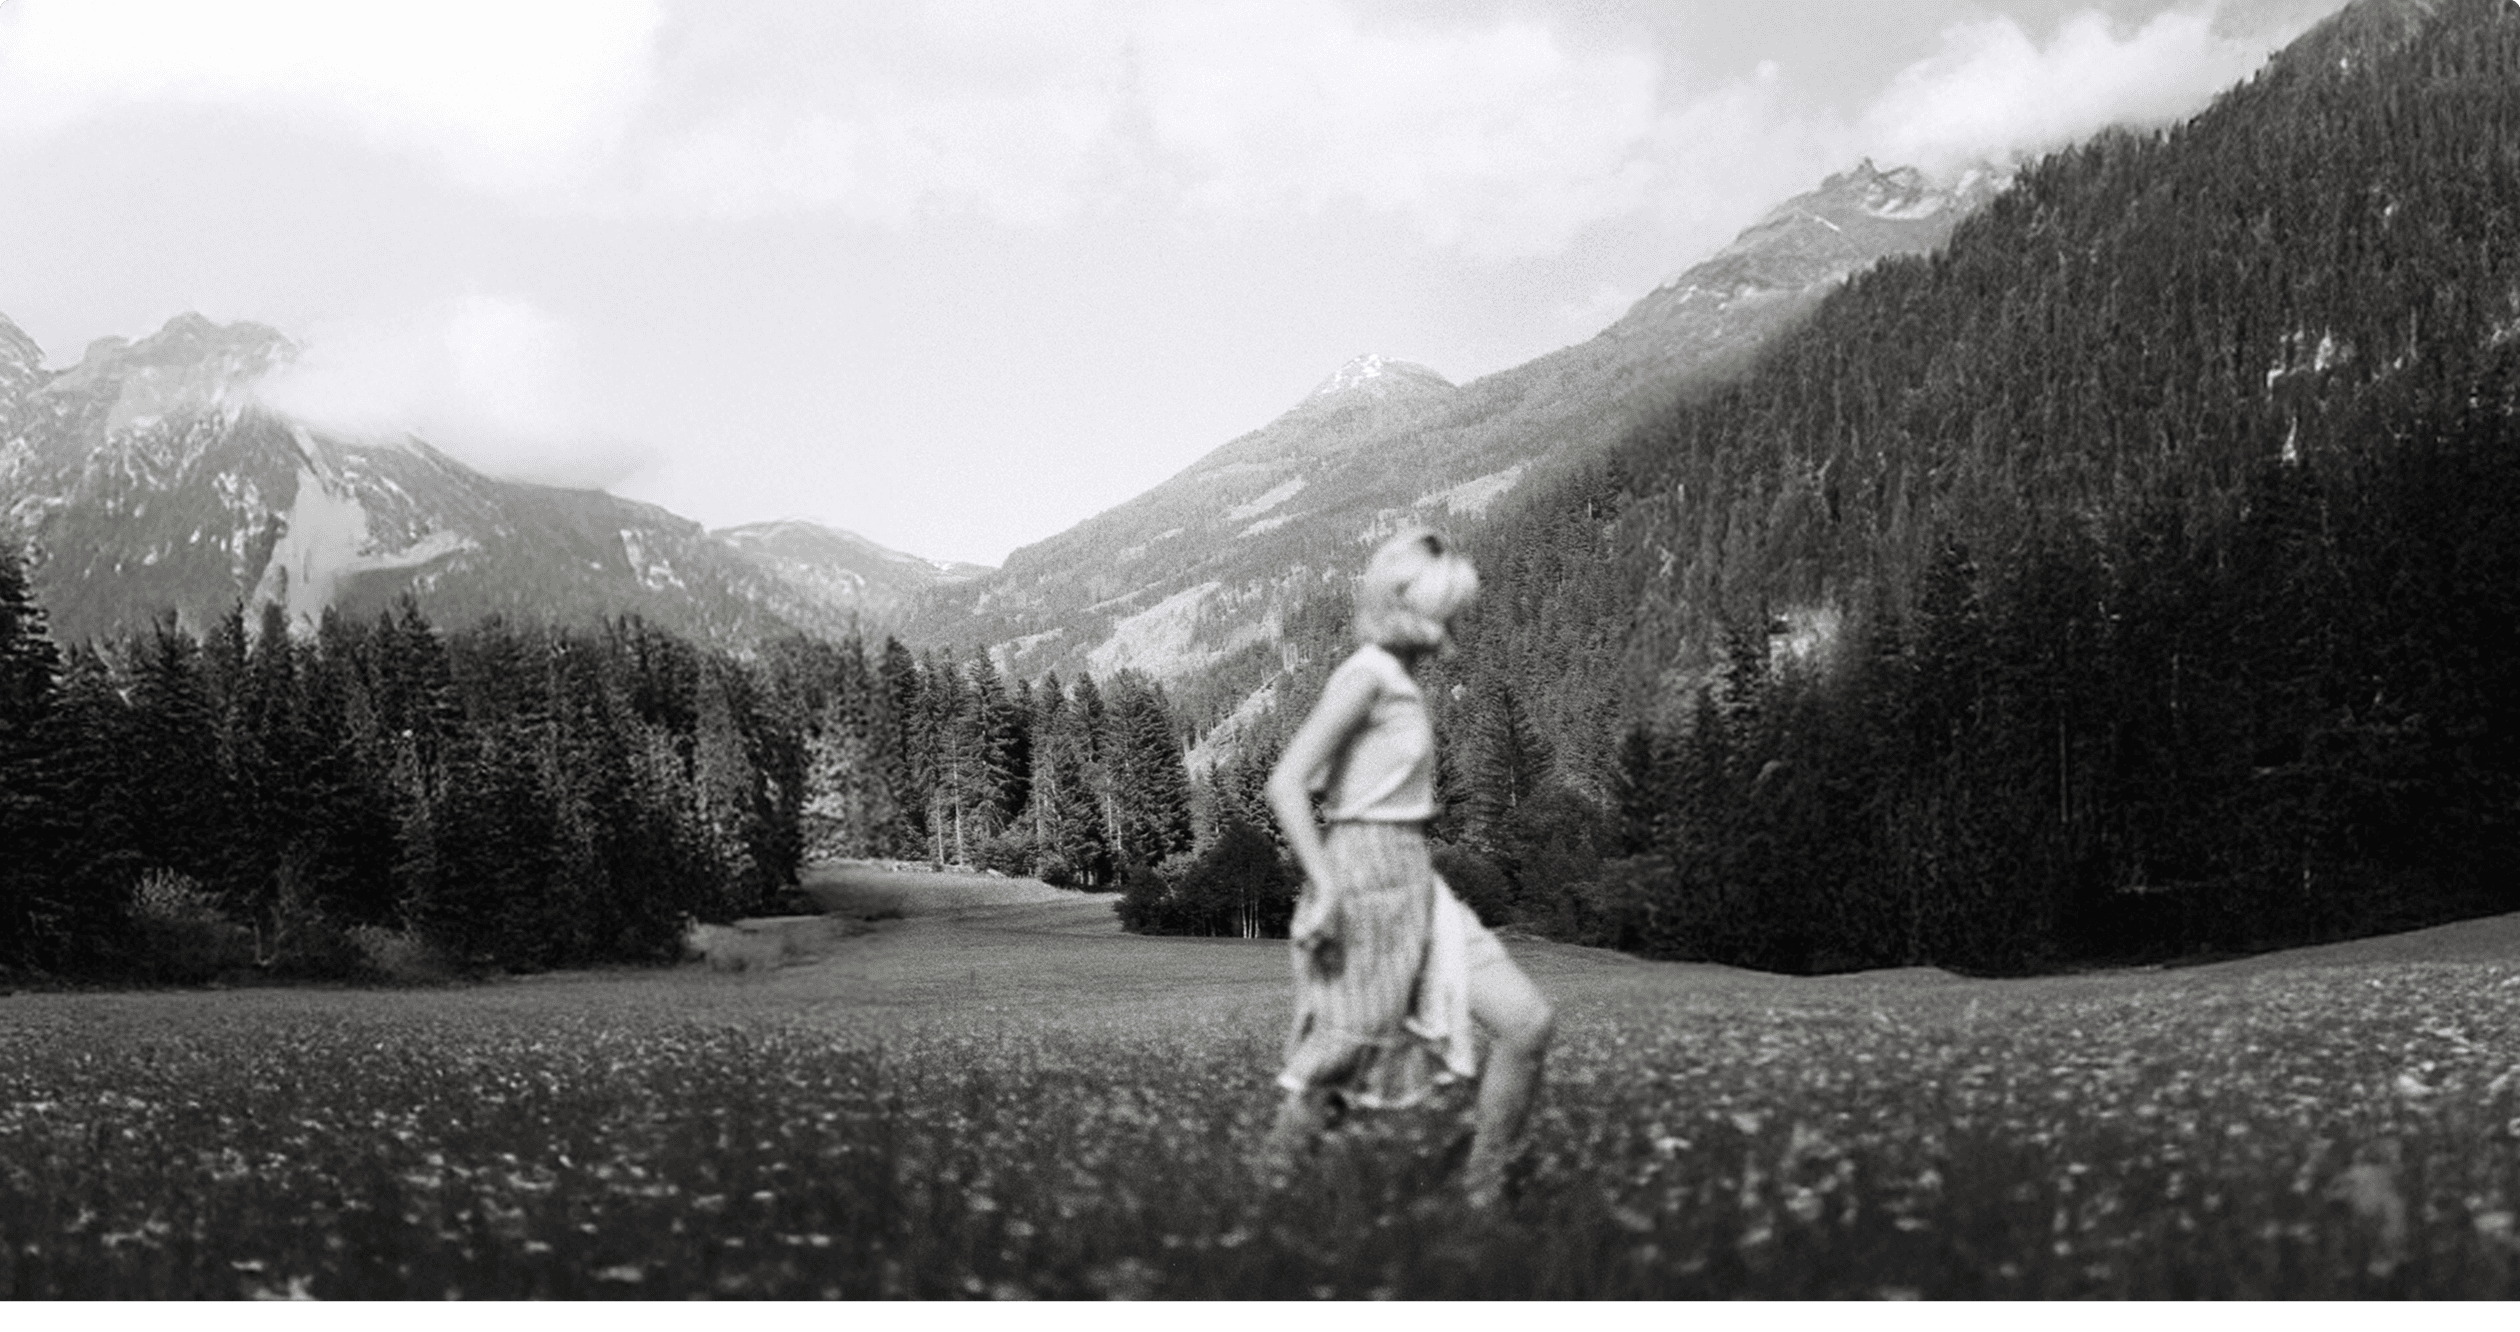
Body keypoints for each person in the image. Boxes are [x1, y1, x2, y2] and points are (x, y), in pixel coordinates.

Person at [1259, 528, 1555, 1208]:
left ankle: (1483, 1194)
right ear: (1406, 606)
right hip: (1365, 876)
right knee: (1338, 1067)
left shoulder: (1397, 680)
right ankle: (1263, 1215)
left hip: (1415, 877)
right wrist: (1328, 886)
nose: (1453, 623)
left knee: (1525, 1024)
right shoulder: (1366, 677)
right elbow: (1286, 783)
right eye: (1445, 606)